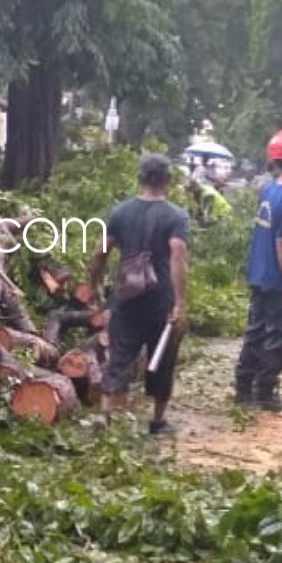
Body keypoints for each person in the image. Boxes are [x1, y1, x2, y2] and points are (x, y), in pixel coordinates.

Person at [88, 153, 190, 435]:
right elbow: (178, 256)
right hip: (161, 301)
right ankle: (157, 421)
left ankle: (106, 416)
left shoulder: (120, 213)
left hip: (126, 298)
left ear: (140, 178)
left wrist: (95, 286)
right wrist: (180, 303)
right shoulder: (176, 216)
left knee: (119, 355)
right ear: (168, 180)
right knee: (163, 360)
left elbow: (100, 253)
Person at [233, 129, 282, 413]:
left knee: (255, 333)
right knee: (280, 340)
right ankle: (265, 392)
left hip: (259, 273)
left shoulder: (269, 189)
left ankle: (243, 388)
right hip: (277, 278)